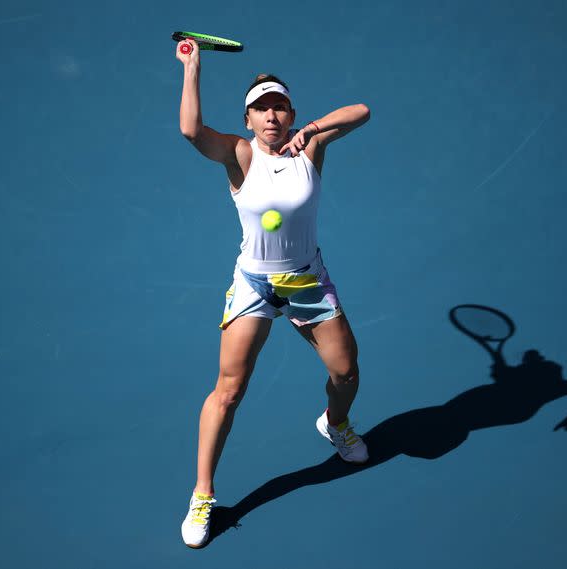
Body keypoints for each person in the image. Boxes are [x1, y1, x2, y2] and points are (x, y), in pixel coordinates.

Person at [175, 37, 371, 548]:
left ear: (290, 113)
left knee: (345, 371)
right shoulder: (238, 155)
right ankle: (202, 494)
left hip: (307, 279)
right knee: (230, 389)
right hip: (255, 285)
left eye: (279, 106)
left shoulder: (311, 147)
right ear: (247, 119)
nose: (271, 115)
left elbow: (362, 112)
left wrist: (311, 130)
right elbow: (191, 130)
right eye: (261, 108)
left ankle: (336, 422)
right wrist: (192, 68)